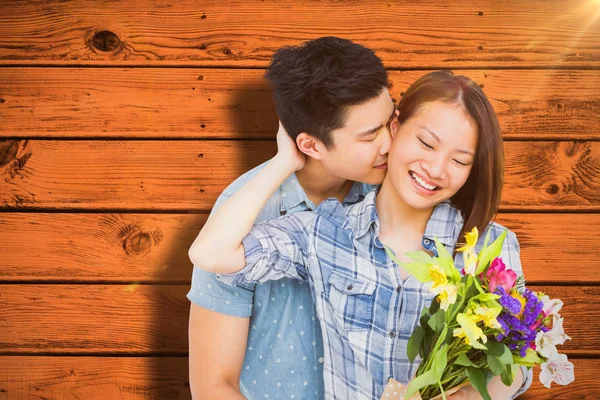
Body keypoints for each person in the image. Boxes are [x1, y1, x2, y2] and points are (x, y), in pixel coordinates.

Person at [190, 71, 533, 399]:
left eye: (460, 161)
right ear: (395, 128)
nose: (437, 169)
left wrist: (472, 395)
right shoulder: (325, 232)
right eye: (426, 143)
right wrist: (284, 160)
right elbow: (211, 254)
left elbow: (519, 361)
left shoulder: (490, 247)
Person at [187, 36, 397, 399]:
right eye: (369, 136)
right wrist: (283, 161)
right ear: (311, 145)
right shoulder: (241, 216)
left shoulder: (396, 195)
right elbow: (212, 385)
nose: (390, 144)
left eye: (390, 121)